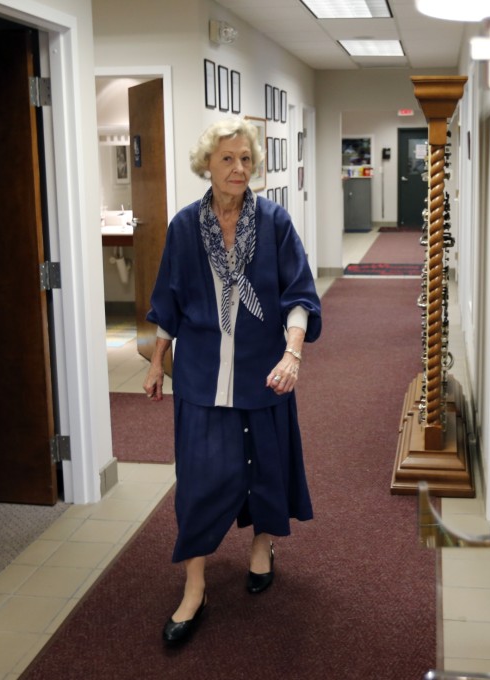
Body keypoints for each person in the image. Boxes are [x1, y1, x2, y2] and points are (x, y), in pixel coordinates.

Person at [143, 117, 322, 647]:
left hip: (263, 374)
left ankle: (262, 546)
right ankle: (194, 586)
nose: (239, 168)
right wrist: (157, 362)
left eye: (246, 159)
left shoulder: (274, 223)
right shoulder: (183, 226)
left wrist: (293, 354)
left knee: (267, 466)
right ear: (207, 165)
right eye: (227, 159)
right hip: (200, 376)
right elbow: (167, 302)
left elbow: (299, 296)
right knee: (200, 478)